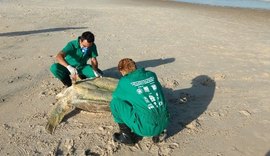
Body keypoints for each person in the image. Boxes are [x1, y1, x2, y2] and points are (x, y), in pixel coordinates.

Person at [110, 58, 169, 146]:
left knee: (115, 103)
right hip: (165, 122)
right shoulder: (151, 75)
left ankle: (126, 136)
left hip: (144, 128)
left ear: (121, 71)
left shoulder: (125, 81)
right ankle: (159, 133)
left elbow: (116, 97)